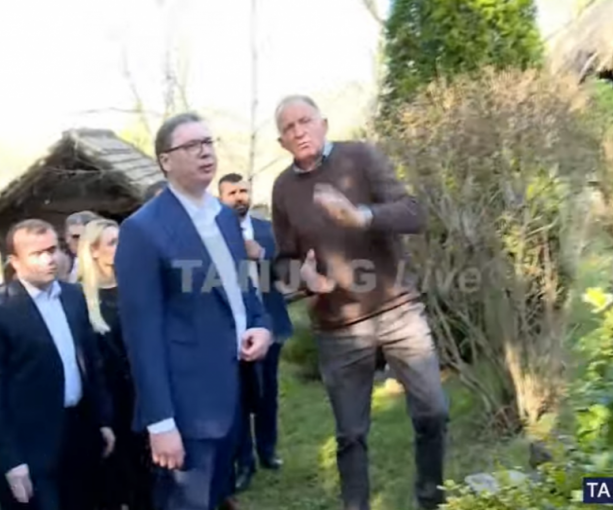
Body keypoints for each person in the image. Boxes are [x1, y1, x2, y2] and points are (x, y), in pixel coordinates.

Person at [270, 95, 449, 510]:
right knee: (351, 434)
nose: (299, 131)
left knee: (433, 412)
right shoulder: (282, 189)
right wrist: (303, 278)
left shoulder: (361, 157)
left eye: (305, 121)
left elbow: (413, 213)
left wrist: (363, 216)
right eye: (289, 128)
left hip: (398, 311)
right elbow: (283, 259)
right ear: (282, 142)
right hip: (338, 328)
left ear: (323, 124)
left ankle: (431, 499)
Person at [115, 112, 273, 510]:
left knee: (219, 499)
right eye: (191, 145)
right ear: (165, 160)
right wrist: (160, 422)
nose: (205, 152)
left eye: (208, 142)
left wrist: (260, 324)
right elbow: (142, 336)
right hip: (187, 410)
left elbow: (243, 289)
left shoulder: (224, 216)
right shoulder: (143, 230)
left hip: (234, 393)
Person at [0, 219, 114, 510]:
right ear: (15, 261)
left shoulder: (73, 296)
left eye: (52, 249)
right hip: (31, 447)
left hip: (80, 434)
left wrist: (103, 420)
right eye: (37, 254)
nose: (49, 259)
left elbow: (91, 363)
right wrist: (10, 460)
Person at [218, 173, 293, 493]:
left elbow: (287, 275)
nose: (239, 197)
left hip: (270, 323)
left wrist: (260, 256)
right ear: (220, 198)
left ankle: (267, 450)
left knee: (267, 393)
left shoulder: (267, 230)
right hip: (231, 328)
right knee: (238, 397)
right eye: (231, 193)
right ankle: (244, 461)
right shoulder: (213, 233)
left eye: (243, 191)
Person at [77, 218, 154, 510]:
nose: (122, 248)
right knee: (118, 477)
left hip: (145, 392)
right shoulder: (80, 299)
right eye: (112, 242)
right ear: (93, 251)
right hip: (110, 400)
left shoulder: (138, 288)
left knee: (150, 474)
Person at [64, 211, 100, 282]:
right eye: (67, 235)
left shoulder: (104, 267)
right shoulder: (64, 262)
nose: (68, 241)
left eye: (76, 237)